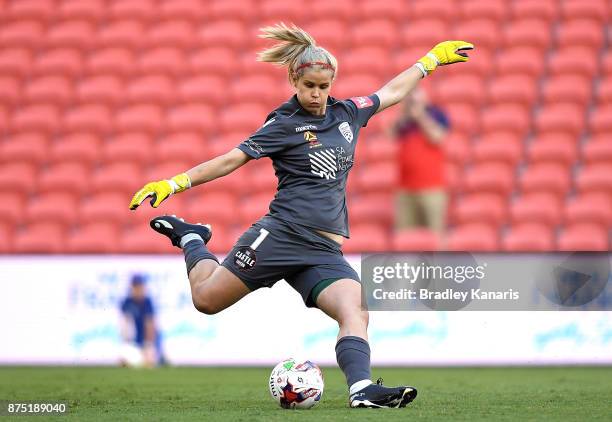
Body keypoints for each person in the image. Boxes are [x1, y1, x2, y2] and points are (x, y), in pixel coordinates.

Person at [129, 23, 472, 408]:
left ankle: (361, 390)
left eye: (324, 86)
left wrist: (428, 62)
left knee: (356, 310)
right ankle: (191, 237)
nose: (317, 94)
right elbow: (230, 160)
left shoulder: (347, 114)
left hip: (323, 249)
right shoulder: (283, 124)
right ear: (295, 79)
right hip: (280, 236)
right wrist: (175, 183)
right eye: (309, 85)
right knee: (206, 300)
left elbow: (390, 92)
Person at [390, 86, 450, 236]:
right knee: (404, 235)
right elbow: (391, 133)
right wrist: (405, 114)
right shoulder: (405, 120)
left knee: (435, 233)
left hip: (432, 188)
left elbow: (437, 137)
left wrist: (420, 116)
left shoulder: (436, 114)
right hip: (406, 189)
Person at [119, 274, 162, 368]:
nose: (138, 289)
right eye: (136, 286)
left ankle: (158, 358)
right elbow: (124, 326)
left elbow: (150, 325)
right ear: (132, 287)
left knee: (150, 361)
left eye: (140, 286)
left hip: (146, 343)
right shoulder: (127, 302)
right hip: (133, 343)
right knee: (123, 360)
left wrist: (148, 345)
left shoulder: (147, 302)